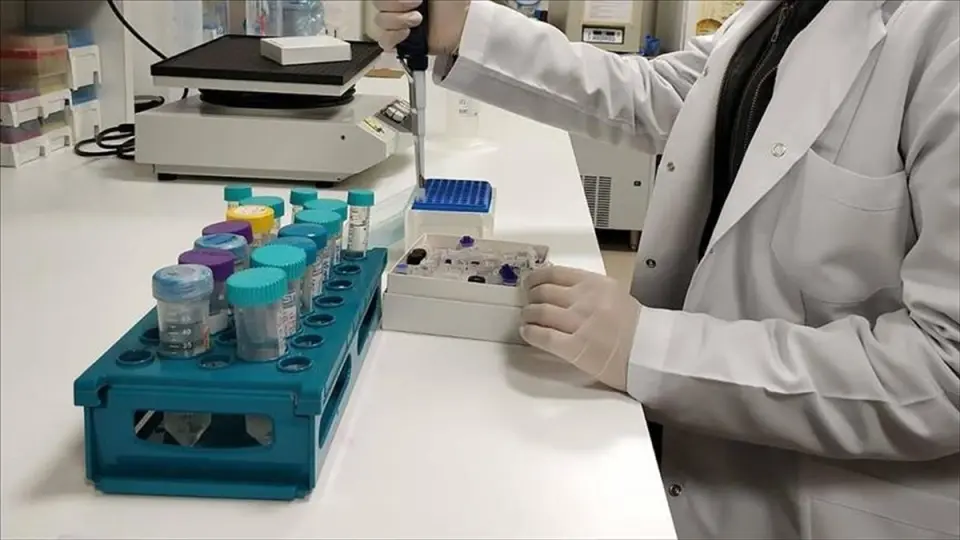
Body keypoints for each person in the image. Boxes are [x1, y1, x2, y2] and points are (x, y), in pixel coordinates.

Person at [374, 0, 960, 538]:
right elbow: (669, 93)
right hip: (695, 457)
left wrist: (651, 347)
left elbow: (944, 371)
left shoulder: (942, 33)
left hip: (830, 502)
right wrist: (468, 29)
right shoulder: (792, 10)